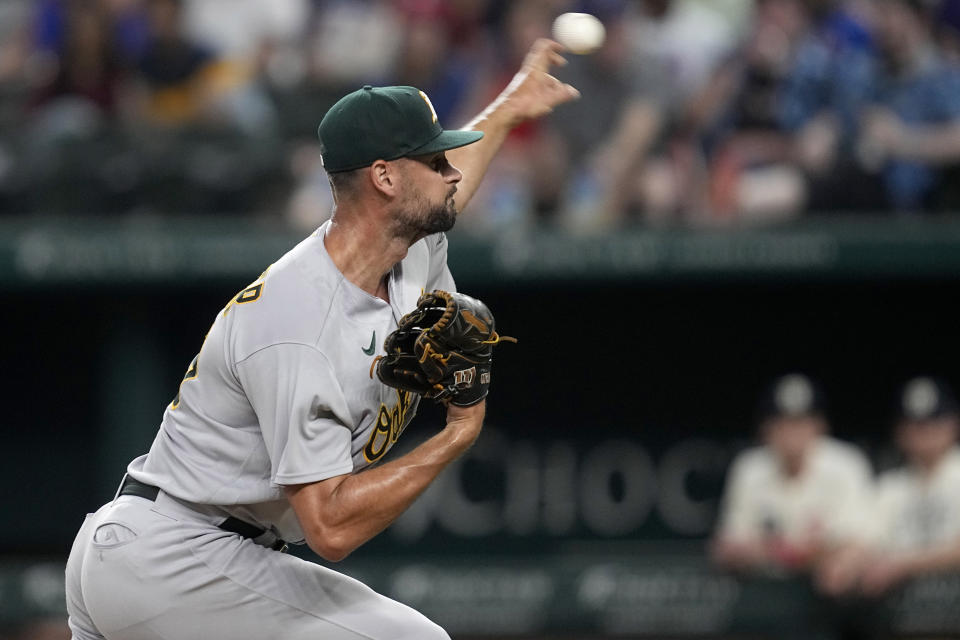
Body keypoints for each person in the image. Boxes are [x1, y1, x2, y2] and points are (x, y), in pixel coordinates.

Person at [64, 39, 578, 640]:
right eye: (435, 161)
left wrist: (510, 106)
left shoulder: (409, 246)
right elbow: (330, 529)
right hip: (177, 556)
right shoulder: (298, 324)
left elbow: (451, 192)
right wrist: (457, 433)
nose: (453, 171)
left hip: (177, 554)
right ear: (384, 177)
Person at [712, 373, 873, 574]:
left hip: (828, 592)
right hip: (765, 590)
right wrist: (796, 551)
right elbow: (728, 547)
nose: (792, 432)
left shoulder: (846, 463)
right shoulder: (749, 467)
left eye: (801, 422)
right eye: (783, 422)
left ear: (820, 425)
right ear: (766, 428)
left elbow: (859, 544)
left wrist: (782, 551)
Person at [818, 376, 960, 597]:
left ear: (953, 424)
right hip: (905, 607)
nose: (925, 431)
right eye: (915, 424)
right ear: (900, 431)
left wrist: (902, 564)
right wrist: (845, 563)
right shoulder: (891, 487)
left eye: (934, 421)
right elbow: (865, 538)